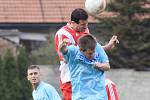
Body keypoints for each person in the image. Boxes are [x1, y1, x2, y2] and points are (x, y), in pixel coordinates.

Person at [54, 8, 119, 100]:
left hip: (89, 77)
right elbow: (66, 58)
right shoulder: (63, 34)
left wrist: (108, 46)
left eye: (87, 23)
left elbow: (90, 50)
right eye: (83, 24)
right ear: (72, 22)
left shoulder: (85, 31)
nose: (85, 27)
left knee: (109, 85)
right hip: (71, 79)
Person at [59, 34, 110, 100]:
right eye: (90, 53)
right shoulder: (73, 52)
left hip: (99, 96)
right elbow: (64, 51)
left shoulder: (98, 47)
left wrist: (100, 65)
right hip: (80, 96)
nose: (93, 54)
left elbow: (107, 66)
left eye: (94, 51)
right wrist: (62, 47)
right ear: (81, 50)